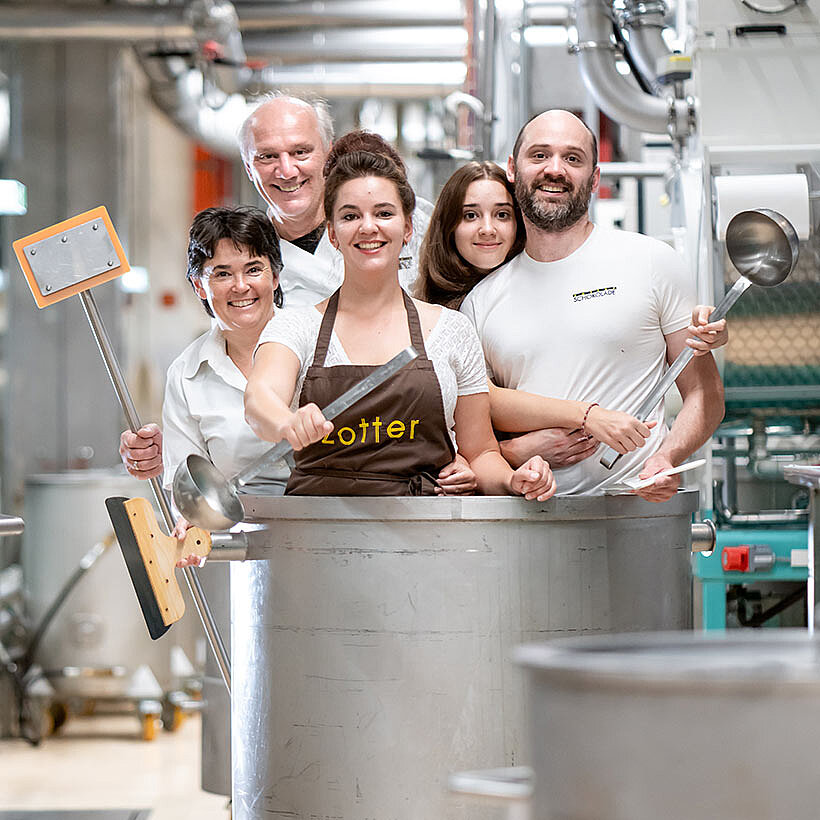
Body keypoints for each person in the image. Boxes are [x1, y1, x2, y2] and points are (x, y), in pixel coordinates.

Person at [121, 109, 433, 475]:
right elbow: (243, 394)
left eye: (301, 152)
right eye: (267, 157)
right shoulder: (253, 255)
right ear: (248, 167)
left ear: (328, 155)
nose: (286, 170)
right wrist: (164, 452)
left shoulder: (414, 221)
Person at [244, 149, 555, 500]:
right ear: (332, 233)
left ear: (407, 227)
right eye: (350, 216)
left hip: (424, 537)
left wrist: (514, 481)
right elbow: (259, 399)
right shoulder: (295, 328)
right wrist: (286, 422)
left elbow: (481, 452)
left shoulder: (451, 331)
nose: (368, 226)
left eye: (384, 213)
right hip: (317, 537)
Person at [459, 110, 726, 502]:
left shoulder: (651, 262)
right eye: (539, 155)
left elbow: (705, 393)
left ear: (594, 178)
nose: (555, 169)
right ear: (513, 169)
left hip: (634, 514)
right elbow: (476, 422)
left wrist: (667, 456)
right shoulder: (481, 302)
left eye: (572, 158)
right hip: (528, 519)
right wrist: (517, 453)